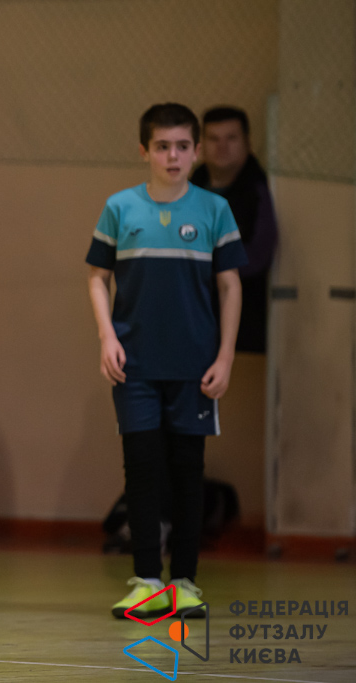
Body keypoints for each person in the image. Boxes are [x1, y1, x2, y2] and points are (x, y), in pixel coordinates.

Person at [85, 104, 246, 620]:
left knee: (187, 472)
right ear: (144, 151)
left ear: (195, 152)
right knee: (142, 470)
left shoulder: (214, 209)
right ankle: (146, 581)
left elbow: (231, 286)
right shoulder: (120, 207)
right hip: (134, 366)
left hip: (195, 368)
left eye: (181, 146)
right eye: (161, 146)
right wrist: (107, 337)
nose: (172, 156)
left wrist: (225, 356)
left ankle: (185, 583)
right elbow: (97, 277)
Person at [191, 106, 278, 353]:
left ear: (247, 142)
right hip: (193, 320)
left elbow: (259, 254)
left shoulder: (259, 190)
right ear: (201, 146)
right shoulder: (189, 188)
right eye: (214, 139)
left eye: (231, 138)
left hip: (244, 323)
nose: (222, 147)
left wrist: (208, 266)